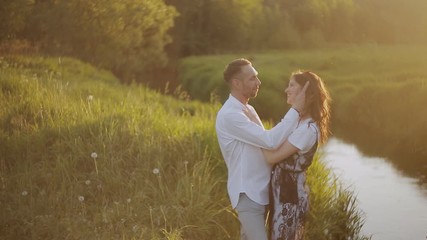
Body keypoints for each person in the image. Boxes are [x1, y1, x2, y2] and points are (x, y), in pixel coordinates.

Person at [215, 58, 308, 240]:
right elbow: (270, 141)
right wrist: (296, 109)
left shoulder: (247, 109)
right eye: (252, 78)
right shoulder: (230, 115)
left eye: (256, 77)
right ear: (236, 83)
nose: (258, 82)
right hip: (248, 195)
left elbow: (269, 146)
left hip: (261, 192)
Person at [245, 71, 331, 240]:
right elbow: (271, 144)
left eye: (292, 85)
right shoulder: (297, 121)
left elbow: (271, 157)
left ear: (308, 93)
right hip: (281, 192)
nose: (286, 90)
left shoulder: (307, 129)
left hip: (290, 196)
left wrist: (253, 129)